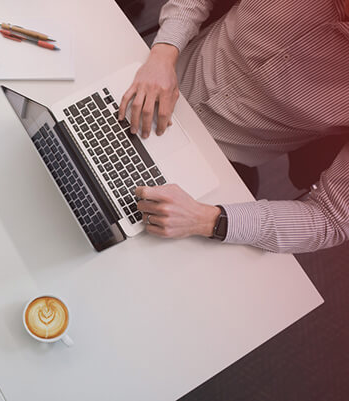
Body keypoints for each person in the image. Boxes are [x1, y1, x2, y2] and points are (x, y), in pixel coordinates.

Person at [119, 0, 349, 253]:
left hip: (214, 163)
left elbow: (331, 218)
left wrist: (206, 220)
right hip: (149, 74)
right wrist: (163, 54)